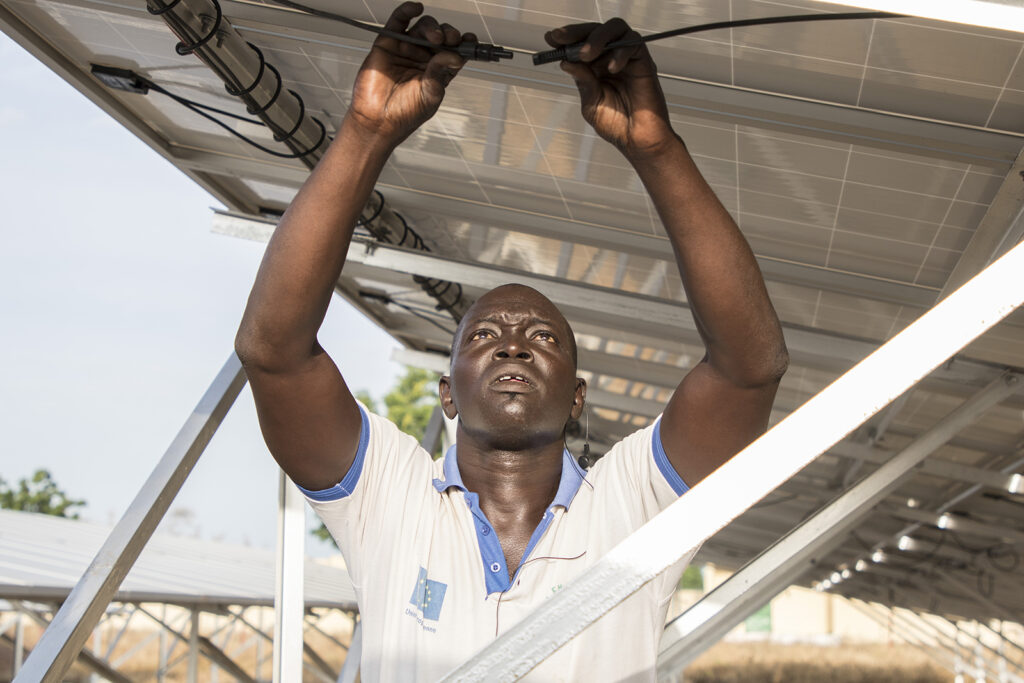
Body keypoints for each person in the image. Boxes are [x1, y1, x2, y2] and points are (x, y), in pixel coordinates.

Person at [234, 2, 788, 680]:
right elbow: (274, 351)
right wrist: (365, 131)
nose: (514, 345)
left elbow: (750, 368)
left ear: (577, 395)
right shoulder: (387, 495)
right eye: (486, 335)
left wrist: (656, 149)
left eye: (542, 337)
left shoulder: (634, 504)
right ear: (446, 393)